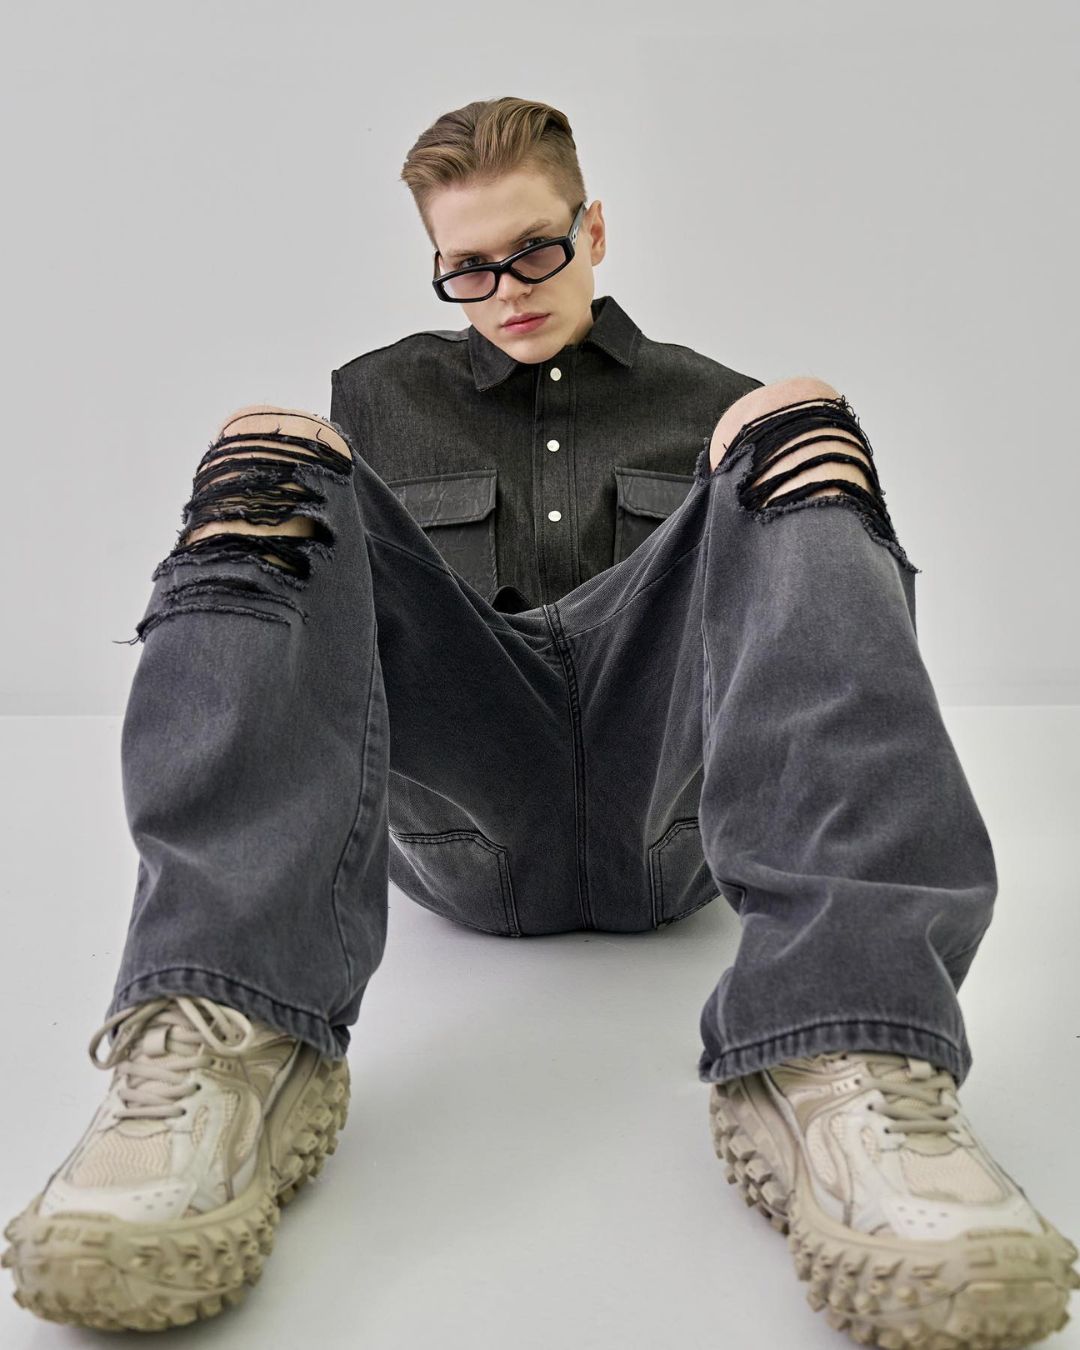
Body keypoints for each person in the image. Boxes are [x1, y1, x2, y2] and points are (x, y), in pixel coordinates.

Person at [4, 95, 1077, 1348]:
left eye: (535, 250)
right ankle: (228, 1026)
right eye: (468, 266)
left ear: (594, 230)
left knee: (798, 421)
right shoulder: (377, 396)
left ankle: (850, 1037)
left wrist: (769, 447)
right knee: (267, 448)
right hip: (471, 802)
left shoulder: (708, 401)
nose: (506, 289)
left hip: (669, 804)